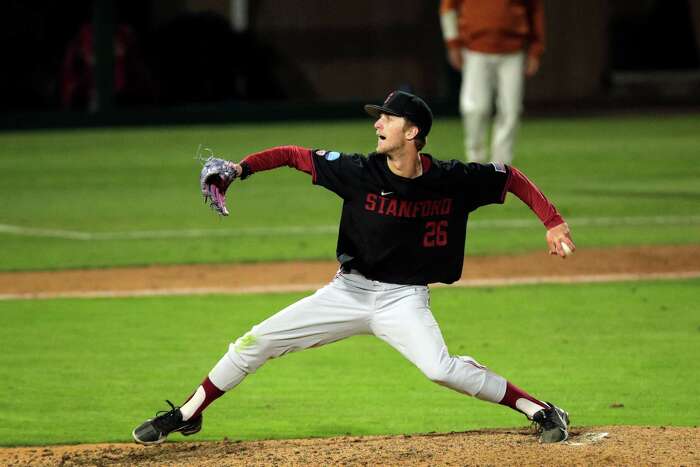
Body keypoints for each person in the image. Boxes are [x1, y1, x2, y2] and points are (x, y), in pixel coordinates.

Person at [132, 90, 574, 446]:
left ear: (413, 131)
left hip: (404, 299)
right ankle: (188, 414)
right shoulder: (359, 171)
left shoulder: (452, 179)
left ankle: (540, 410)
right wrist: (239, 169)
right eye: (377, 116)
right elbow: (293, 154)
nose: (377, 123)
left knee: (440, 369)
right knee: (256, 341)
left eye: (387, 117)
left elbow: (509, 177)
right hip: (348, 293)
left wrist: (552, 221)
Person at [440, 0, 545, 164]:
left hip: (513, 51)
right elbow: (448, 8)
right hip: (475, 48)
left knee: (511, 110)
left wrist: (536, 49)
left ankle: (500, 167)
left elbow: (535, 11)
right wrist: (453, 43)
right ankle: (476, 162)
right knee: (475, 108)